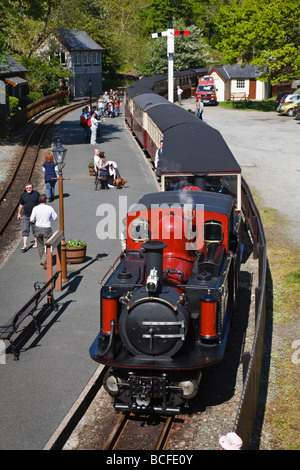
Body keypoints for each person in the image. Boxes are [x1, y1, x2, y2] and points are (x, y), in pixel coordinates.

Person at [30, 194, 57, 269]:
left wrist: (36, 220)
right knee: (47, 246)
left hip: (38, 228)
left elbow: (31, 219)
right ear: (45, 200)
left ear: (39, 200)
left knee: (40, 245)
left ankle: (42, 260)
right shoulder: (49, 208)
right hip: (47, 228)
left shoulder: (35, 208)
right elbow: (55, 217)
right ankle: (47, 260)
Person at [17, 182, 40, 252]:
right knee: (25, 230)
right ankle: (24, 245)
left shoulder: (36, 194)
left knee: (35, 230)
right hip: (26, 215)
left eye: (30, 188)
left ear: (32, 187)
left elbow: (40, 203)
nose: (29, 189)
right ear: (25, 188)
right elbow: (21, 204)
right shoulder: (23, 195)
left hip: (35, 216)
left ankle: (36, 243)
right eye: (27, 188)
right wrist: (19, 213)